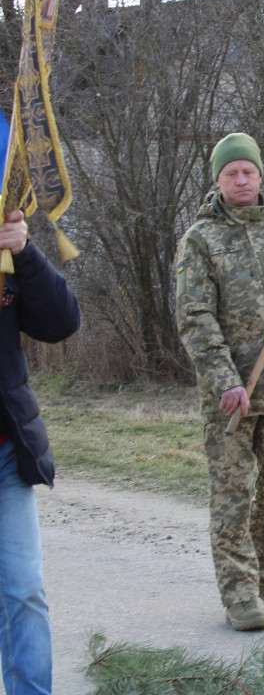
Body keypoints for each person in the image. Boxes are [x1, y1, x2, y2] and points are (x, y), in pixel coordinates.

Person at [175, 132, 264, 632]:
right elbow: (194, 316)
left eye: (247, 171)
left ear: (259, 175)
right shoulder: (201, 239)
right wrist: (224, 381)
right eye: (230, 173)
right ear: (218, 179)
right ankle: (238, 592)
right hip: (232, 396)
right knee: (233, 495)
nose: (240, 180)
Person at [0, 210, 80, 694]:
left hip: (6, 456)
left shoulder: (7, 259)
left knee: (24, 591)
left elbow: (61, 323)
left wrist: (24, 251)